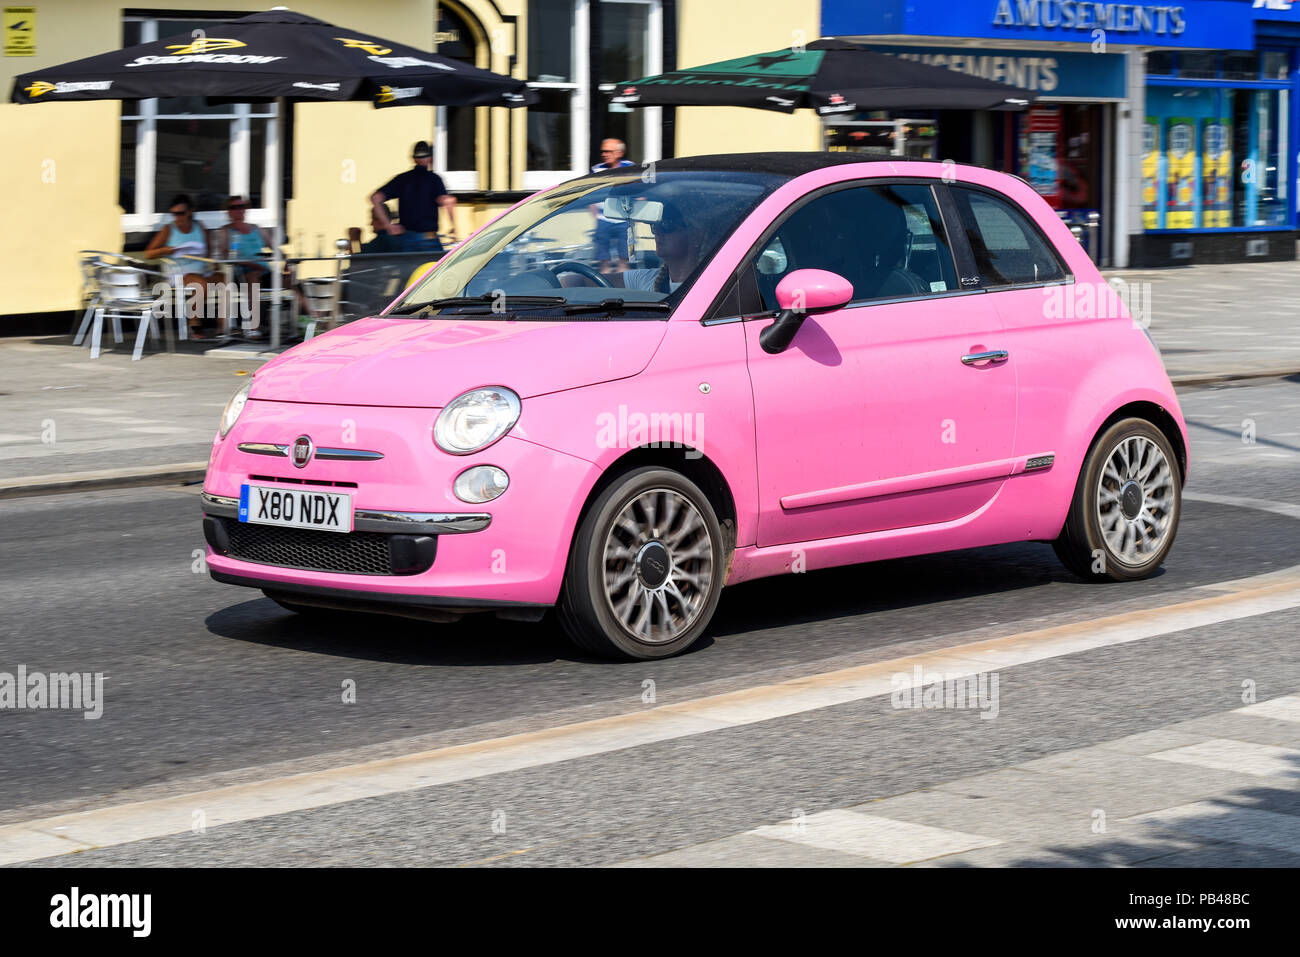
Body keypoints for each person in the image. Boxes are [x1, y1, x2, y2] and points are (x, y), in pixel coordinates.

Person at [370, 141, 458, 255]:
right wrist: (454, 227)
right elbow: (447, 201)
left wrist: (388, 226)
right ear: (431, 158)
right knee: (436, 271)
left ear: (413, 159)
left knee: (408, 272)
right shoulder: (434, 179)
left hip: (407, 240)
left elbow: (375, 198)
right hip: (428, 240)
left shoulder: (402, 179)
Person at [144, 193, 211, 339]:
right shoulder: (169, 229)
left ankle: (224, 328)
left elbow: (208, 250)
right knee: (202, 285)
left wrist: (203, 255)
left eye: (180, 213)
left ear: (190, 212)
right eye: (174, 213)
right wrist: (166, 250)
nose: (177, 217)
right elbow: (149, 253)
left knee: (226, 280)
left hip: (201, 270)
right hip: (179, 273)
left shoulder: (200, 227)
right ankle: (195, 324)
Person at [615, 200, 700, 294]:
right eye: (655, 226)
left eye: (667, 225)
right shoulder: (647, 279)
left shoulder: (711, 286)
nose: (658, 233)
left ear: (695, 235)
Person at [590, 138, 636, 271]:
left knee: (624, 260)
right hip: (603, 220)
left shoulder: (630, 168)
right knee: (603, 262)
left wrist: (634, 219)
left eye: (608, 151)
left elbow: (640, 193)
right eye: (603, 151)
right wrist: (597, 217)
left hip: (624, 221)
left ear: (619, 153)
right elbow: (591, 196)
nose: (604, 154)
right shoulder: (597, 170)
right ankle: (605, 290)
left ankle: (622, 287)